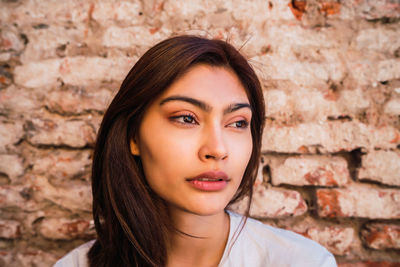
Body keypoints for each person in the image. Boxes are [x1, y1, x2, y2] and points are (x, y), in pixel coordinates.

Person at [54, 35, 337, 267]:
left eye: (238, 123)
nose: (217, 149)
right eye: (186, 118)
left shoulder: (303, 262)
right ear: (133, 136)